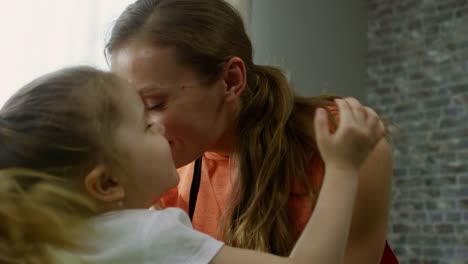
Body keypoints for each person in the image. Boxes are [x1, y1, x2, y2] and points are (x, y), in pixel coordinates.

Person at [106, 0, 397, 263]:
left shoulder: (343, 145)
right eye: (131, 107)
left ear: (232, 80)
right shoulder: (165, 170)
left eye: (155, 103)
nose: (139, 124)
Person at [0, 66, 384, 263]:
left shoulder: (44, 245)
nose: (161, 126)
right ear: (105, 184)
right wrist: (343, 168)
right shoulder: (145, 238)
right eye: (146, 120)